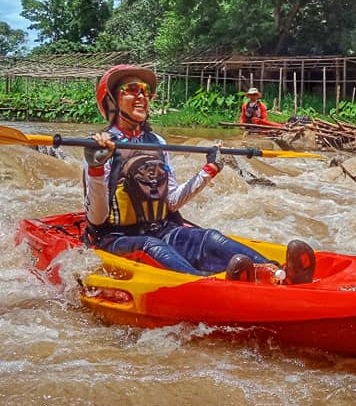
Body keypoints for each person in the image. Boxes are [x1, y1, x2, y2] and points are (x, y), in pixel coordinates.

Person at [83, 65, 315, 283]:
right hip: (117, 238)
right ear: (112, 100)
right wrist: (94, 169)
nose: (142, 96)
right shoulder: (100, 147)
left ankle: (275, 272)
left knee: (210, 238)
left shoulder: (158, 143)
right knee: (152, 247)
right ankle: (208, 287)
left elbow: (171, 202)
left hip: (163, 229)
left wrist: (209, 170)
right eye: (132, 90)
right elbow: (97, 219)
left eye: (146, 91)